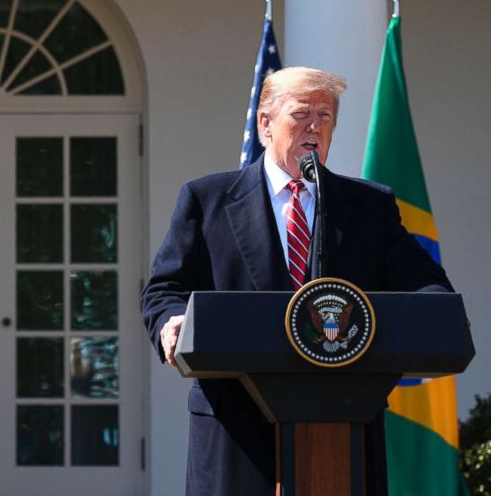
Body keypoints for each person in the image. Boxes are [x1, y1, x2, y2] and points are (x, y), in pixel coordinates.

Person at [140, 66, 453, 496]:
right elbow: (164, 290)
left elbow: (424, 283)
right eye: (302, 113)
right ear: (265, 124)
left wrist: (437, 318)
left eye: (325, 117)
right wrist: (172, 322)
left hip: (343, 424)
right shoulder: (206, 199)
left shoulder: (368, 206)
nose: (315, 127)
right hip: (235, 431)